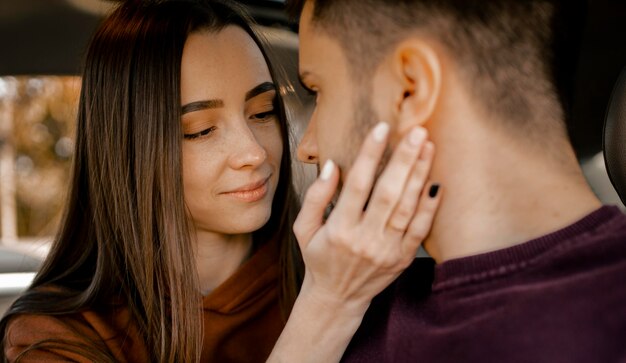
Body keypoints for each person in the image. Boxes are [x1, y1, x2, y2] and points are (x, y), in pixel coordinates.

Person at [1, 0, 442, 362]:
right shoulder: (52, 338)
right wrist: (328, 308)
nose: (254, 152)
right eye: (201, 129)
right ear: (128, 149)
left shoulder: (361, 273)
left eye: (263, 112)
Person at [288, 0, 626, 361]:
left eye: (318, 90)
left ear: (410, 88)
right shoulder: (352, 295)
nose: (305, 149)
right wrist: (325, 306)